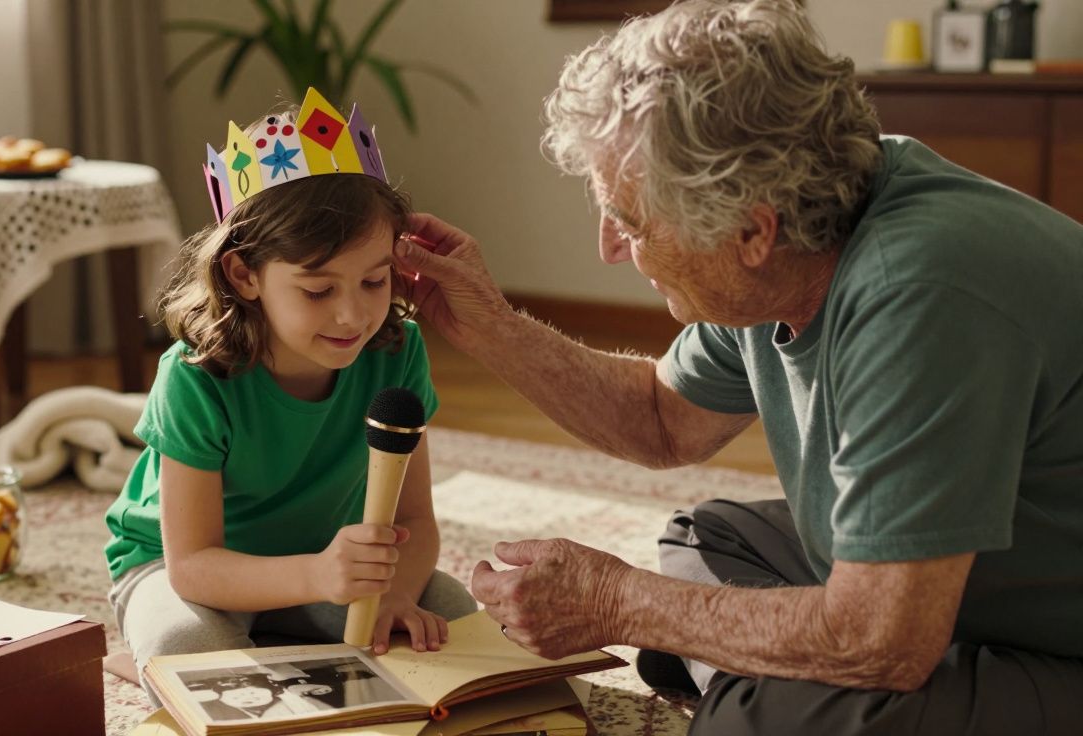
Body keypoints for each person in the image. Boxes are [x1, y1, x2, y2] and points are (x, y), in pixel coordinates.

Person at [391, 0, 1083, 733]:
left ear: (752, 229)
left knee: (783, 712)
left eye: (629, 220)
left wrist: (620, 603)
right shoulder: (796, 241)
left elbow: (881, 641)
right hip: (960, 594)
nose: (610, 248)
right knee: (708, 540)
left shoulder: (918, 294)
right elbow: (662, 422)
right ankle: (763, 685)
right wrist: (490, 326)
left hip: (1050, 647)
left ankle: (760, 699)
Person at [104, 93, 477, 704]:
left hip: (327, 566)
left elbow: (412, 521)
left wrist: (397, 595)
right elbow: (192, 564)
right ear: (243, 276)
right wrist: (317, 574)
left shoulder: (397, 352)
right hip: (194, 573)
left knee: (452, 615)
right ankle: (148, 659)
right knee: (188, 649)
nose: (352, 313)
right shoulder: (196, 377)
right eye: (316, 289)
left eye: (374, 281)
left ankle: (282, 645)